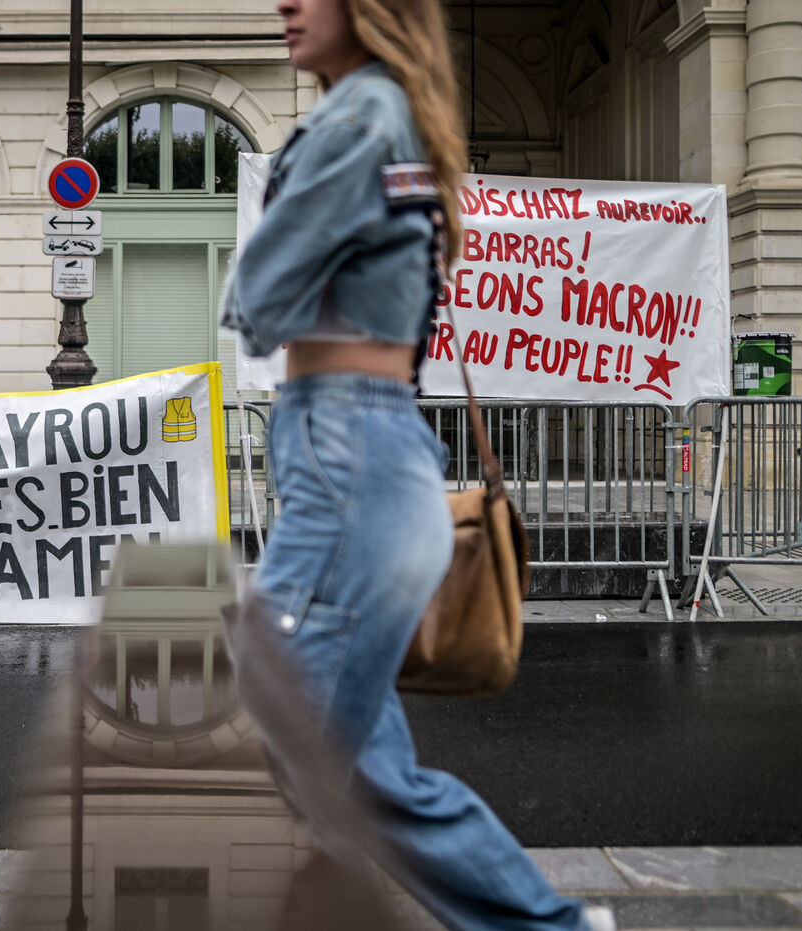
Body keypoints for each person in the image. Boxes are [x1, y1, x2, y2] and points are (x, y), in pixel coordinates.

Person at [219, 1, 615, 929]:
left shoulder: (360, 116)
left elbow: (258, 297)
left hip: (348, 443)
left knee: (283, 700)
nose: (286, 2)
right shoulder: (389, 114)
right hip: (366, 445)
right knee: (361, 761)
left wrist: (268, 293)